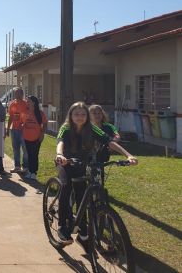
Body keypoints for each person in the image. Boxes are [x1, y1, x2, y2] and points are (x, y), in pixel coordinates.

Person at [55, 101, 138, 247]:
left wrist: (128, 155)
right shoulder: (66, 127)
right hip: (65, 163)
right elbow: (60, 141)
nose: (80, 117)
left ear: (87, 116)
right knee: (66, 187)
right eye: (76, 114)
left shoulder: (91, 128)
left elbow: (109, 141)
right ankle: (62, 227)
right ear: (71, 115)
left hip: (81, 164)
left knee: (82, 196)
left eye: (83, 114)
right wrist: (60, 155)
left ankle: (83, 232)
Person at [21, 95, 47, 180]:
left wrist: (42, 133)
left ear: (34, 103)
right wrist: (22, 125)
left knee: (34, 155)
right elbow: (23, 122)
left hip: (36, 138)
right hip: (26, 137)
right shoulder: (25, 112)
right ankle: (30, 171)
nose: (27, 103)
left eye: (28, 101)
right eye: (27, 101)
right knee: (29, 155)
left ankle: (34, 173)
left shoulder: (40, 113)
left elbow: (45, 124)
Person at [6, 87, 28, 172]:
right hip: (14, 130)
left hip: (24, 130)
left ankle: (25, 167)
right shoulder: (12, 104)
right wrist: (8, 128)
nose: (17, 95)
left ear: (22, 94)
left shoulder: (26, 104)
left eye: (19, 93)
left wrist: (25, 124)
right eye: (16, 93)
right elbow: (11, 117)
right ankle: (17, 166)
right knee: (15, 149)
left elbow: (29, 115)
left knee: (25, 149)